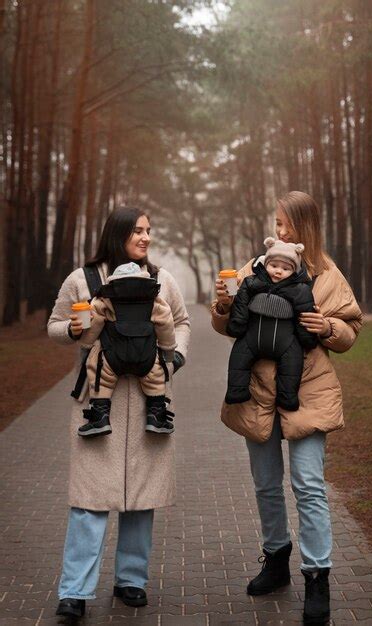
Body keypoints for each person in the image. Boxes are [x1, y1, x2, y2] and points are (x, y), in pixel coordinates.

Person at [211, 191, 363, 625]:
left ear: (306, 227)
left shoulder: (329, 275)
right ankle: (275, 560)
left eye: (286, 225)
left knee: (309, 485)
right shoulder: (256, 267)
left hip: (309, 390)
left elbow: (351, 328)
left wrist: (329, 326)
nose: (279, 232)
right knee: (265, 483)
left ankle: (317, 576)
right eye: (276, 224)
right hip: (258, 391)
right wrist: (223, 303)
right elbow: (225, 323)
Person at [48, 207, 190, 620]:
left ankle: (131, 579)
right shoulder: (82, 279)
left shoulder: (162, 279)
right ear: (117, 234)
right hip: (97, 401)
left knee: (141, 497)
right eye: (137, 231)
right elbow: (55, 325)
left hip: (151, 400)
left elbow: (180, 322)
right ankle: (75, 590)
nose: (145, 237)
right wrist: (73, 330)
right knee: (88, 500)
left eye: (149, 230)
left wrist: (175, 358)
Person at [78, 261, 177, 438]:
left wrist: (86, 344)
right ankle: (156, 416)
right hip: (146, 356)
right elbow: (166, 323)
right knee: (155, 377)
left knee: (99, 371)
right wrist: (168, 351)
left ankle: (100, 416)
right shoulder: (154, 300)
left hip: (111, 355)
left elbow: (95, 322)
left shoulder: (105, 299)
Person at [225, 237, 317, 410]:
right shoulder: (252, 282)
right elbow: (241, 303)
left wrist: (308, 338)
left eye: (286, 268)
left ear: (294, 271)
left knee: (292, 364)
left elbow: (305, 314)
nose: (278, 271)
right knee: (239, 356)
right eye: (274, 266)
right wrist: (237, 323)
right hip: (251, 338)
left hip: (286, 342)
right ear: (266, 263)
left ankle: (287, 397)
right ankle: (237, 390)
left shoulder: (300, 290)